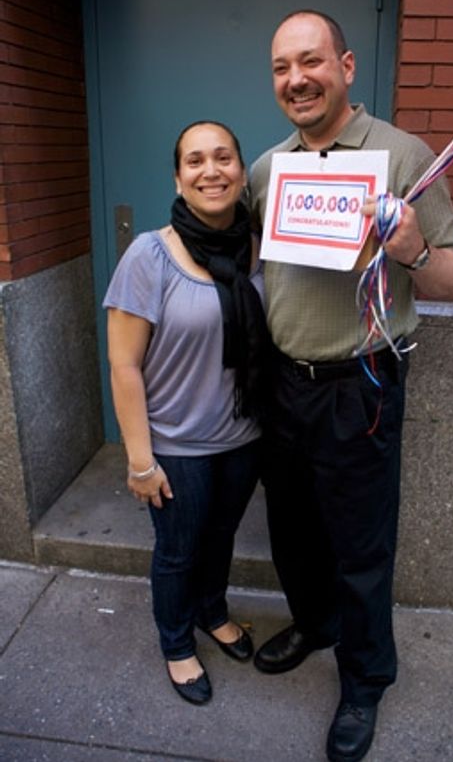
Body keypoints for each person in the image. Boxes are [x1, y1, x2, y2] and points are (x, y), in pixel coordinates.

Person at [250, 11, 453, 762]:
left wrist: (410, 248)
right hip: (284, 383)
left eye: (310, 62)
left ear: (345, 64)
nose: (296, 79)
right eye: (281, 67)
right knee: (293, 529)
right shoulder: (268, 168)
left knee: (361, 547)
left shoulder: (402, 155)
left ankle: (366, 679)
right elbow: (248, 257)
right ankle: (316, 623)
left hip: (362, 383)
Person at [103, 120, 270, 705]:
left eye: (223, 157)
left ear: (241, 171)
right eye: (195, 161)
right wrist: (140, 460)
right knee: (178, 551)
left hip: (243, 436)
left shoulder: (259, 246)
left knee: (221, 536)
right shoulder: (150, 255)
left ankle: (212, 611)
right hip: (176, 446)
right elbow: (124, 365)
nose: (211, 170)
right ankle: (177, 643)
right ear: (178, 177)